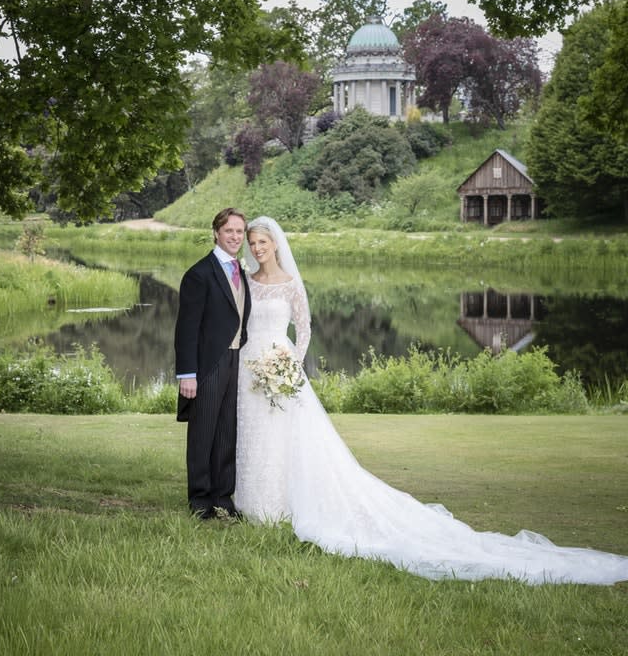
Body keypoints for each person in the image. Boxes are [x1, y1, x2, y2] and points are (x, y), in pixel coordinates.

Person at [234, 216, 628, 585]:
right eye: (252, 243)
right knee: (255, 433)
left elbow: (303, 328)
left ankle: (284, 505)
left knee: (287, 435)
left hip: (281, 367)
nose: (256, 248)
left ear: (275, 244)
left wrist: (290, 364)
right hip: (249, 365)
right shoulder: (247, 281)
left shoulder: (289, 283)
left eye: (262, 242)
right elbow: (239, 322)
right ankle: (253, 503)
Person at [174, 207, 251, 519]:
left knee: (226, 432)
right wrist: (187, 374)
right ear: (217, 233)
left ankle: (223, 498)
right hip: (208, 364)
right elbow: (186, 328)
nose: (235, 237)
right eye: (229, 231)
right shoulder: (199, 274)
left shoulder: (240, 270)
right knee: (203, 433)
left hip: (235, 361)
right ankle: (200, 501)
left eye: (239, 232)